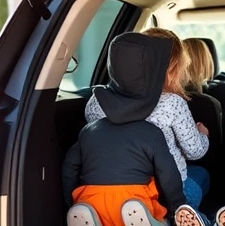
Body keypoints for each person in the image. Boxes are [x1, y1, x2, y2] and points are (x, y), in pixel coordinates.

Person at [62, 32, 187, 226]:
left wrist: (70, 200)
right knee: (188, 186)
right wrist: (178, 207)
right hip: (139, 194)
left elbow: (69, 167)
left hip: (93, 196)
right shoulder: (152, 132)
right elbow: (168, 173)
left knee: (98, 208)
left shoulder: (90, 127)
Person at [86, 28, 211, 208]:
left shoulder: (97, 101)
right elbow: (195, 151)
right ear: (172, 69)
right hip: (166, 193)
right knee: (201, 175)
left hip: (111, 188)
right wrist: (203, 134)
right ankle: (188, 221)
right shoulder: (173, 104)